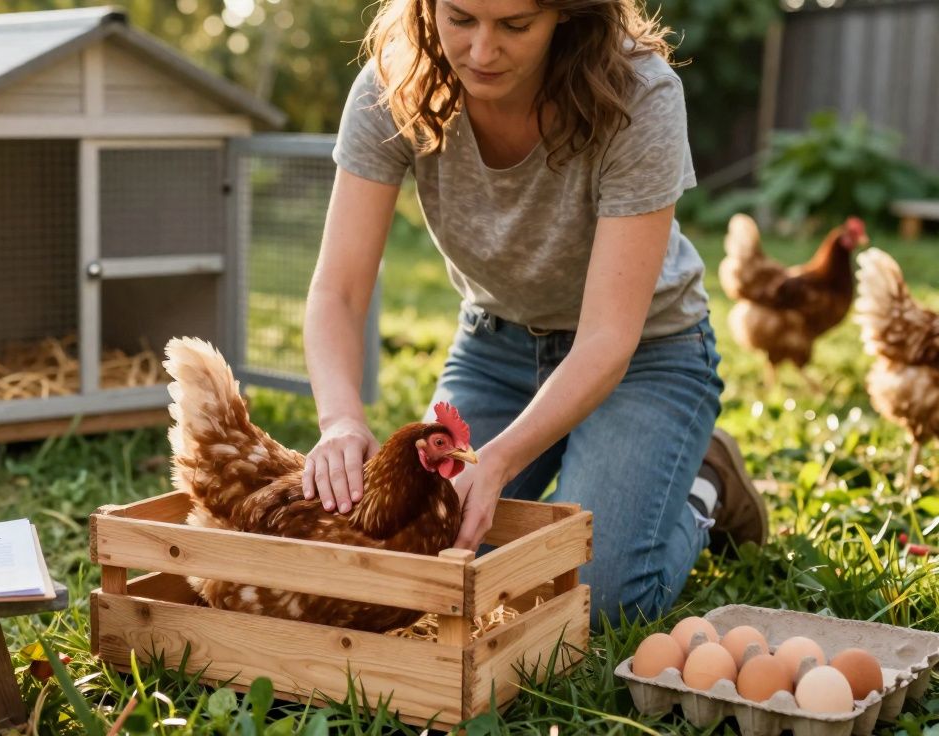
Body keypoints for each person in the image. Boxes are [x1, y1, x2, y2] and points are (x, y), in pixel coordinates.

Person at [300, 0, 768, 629]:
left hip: (645, 357)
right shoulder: (395, 84)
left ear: (565, 15)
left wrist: (499, 459)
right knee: (428, 557)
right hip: (495, 349)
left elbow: (608, 337)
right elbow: (338, 290)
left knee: (598, 596)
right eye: (460, 19)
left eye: (515, 26)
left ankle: (705, 483)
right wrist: (339, 419)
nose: (481, 51)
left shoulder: (639, 94)